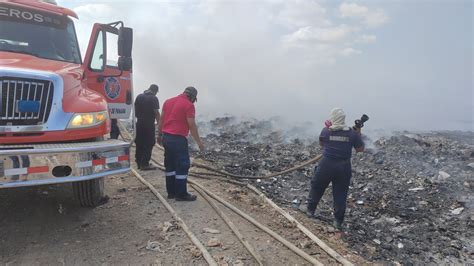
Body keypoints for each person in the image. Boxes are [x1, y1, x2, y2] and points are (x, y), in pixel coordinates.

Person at [306, 108, 365, 231]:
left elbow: (322, 144)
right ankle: (337, 222)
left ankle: (310, 211)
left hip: (326, 165)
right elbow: (360, 149)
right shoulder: (351, 133)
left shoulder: (326, 131)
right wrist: (358, 132)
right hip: (343, 167)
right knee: (340, 194)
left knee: (317, 186)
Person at [157, 87, 205, 201]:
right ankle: (181, 194)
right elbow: (192, 125)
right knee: (182, 165)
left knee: (170, 165)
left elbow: (161, 120)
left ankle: (171, 193)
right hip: (178, 139)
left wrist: (159, 135)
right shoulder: (188, 105)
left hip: (166, 138)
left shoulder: (168, 101)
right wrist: (199, 142)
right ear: (192, 97)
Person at [134, 84, 160, 170]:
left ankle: (138, 162)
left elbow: (135, 110)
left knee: (139, 142)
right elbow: (156, 112)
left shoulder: (139, 96)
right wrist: (160, 124)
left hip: (139, 123)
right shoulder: (154, 98)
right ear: (155, 91)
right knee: (149, 143)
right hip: (148, 124)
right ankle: (144, 164)